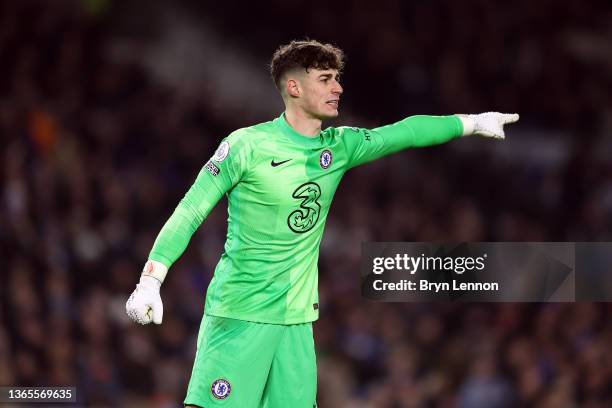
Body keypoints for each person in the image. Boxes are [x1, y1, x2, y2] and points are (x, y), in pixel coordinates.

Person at [125, 39, 519, 407]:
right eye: (326, 79)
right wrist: (151, 280)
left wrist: (471, 122)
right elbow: (191, 209)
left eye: (338, 79)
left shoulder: (340, 146)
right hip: (240, 313)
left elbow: (404, 132)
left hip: (296, 322)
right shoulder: (247, 146)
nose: (339, 88)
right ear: (294, 88)